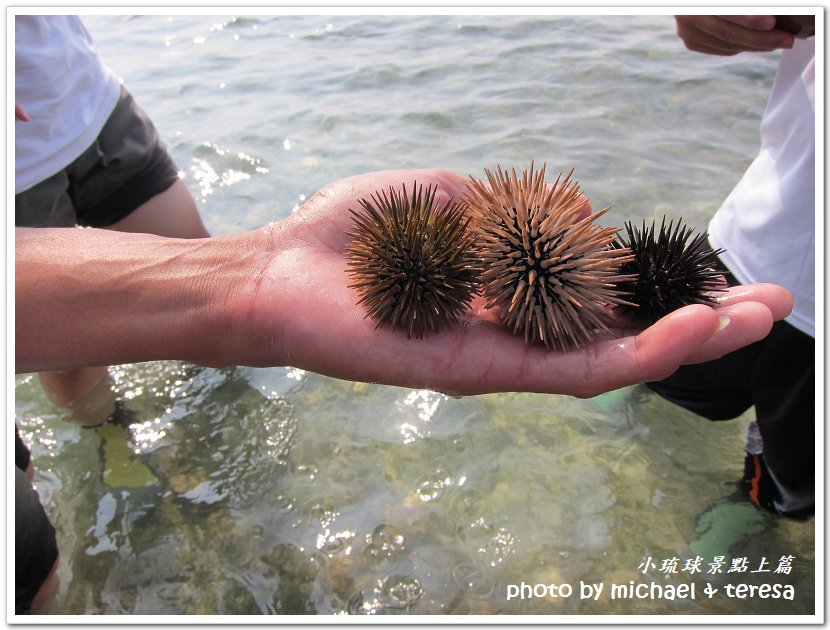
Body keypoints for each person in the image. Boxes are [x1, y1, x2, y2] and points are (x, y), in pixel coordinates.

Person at [647, 15, 815, 519]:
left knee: (790, 475)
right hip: (751, 232)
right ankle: (636, 395)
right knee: (663, 363)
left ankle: (758, 510)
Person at [15, 15, 210, 425]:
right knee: (69, 351)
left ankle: (216, 392)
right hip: (14, 174)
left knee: (204, 274)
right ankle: (111, 440)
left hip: (91, 102)